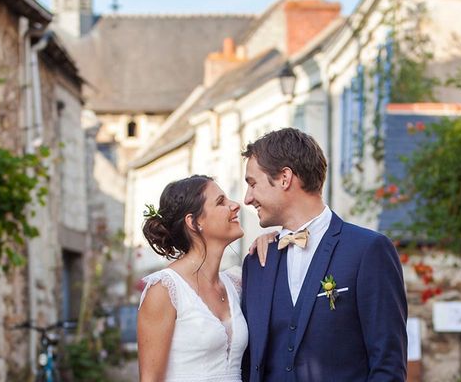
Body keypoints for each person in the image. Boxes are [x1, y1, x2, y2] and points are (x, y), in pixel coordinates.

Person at [241, 128, 408, 382]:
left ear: (285, 178)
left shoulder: (367, 251)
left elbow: (388, 365)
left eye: (253, 183)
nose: (247, 198)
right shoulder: (257, 262)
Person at [137, 175, 247, 382]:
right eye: (221, 202)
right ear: (194, 222)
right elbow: (150, 378)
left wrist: (269, 240)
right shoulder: (164, 290)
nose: (235, 205)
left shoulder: (235, 284)